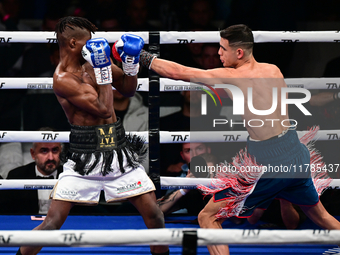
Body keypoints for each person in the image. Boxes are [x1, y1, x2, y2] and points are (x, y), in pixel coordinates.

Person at [138, 24, 340, 255]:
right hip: (294, 151)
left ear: (239, 52)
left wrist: (143, 56)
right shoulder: (273, 70)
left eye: (223, 49)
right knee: (322, 217)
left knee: (208, 216)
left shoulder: (234, 76)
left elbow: (178, 72)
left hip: (270, 161)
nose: (218, 54)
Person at [17, 16, 168, 255]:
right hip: (84, 158)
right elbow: (104, 109)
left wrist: (130, 65)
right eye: (88, 42)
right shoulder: (63, 78)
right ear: (73, 43)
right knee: (52, 223)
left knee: (154, 216)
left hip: (118, 152)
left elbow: (128, 90)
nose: (92, 46)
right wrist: (104, 69)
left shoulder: (93, 63)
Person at [5, 140, 63, 215]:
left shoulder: (72, 177)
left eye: (55, 150)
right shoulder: (16, 176)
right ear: (33, 154)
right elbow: (6, 214)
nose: (51, 158)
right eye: (44, 151)